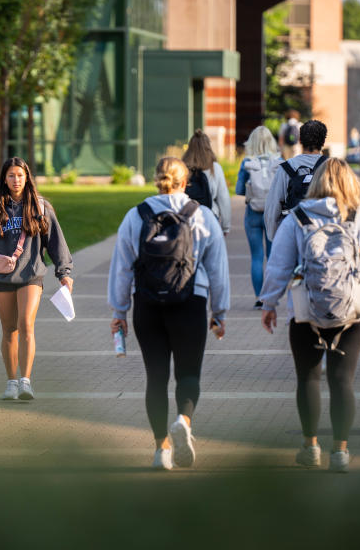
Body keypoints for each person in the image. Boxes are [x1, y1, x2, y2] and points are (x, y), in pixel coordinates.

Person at [259, 158, 360, 473]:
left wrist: (269, 303)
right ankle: (340, 452)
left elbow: (278, 265)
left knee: (308, 378)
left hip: (307, 311)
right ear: (350, 183)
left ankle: (310, 446)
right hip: (353, 313)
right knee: (342, 380)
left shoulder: (297, 218)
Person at [108, 157, 229, 470]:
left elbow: (121, 267)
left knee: (156, 377)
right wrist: (220, 311)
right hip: (190, 302)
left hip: (147, 305)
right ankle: (184, 421)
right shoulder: (202, 216)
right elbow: (218, 268)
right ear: (185, 182)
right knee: (189, 374)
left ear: (155, 180)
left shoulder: (136, 216)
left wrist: (119, 310)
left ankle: (161, 448)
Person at [0, 157, 73, 401]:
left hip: (31, 275)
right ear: (4, 179)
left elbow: (56, 242)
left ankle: (25, 381)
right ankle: (11, 382)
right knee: (9, 330)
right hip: (2, 278)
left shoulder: (40, 207)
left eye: (19, 175)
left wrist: (64, 273)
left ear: (27, 177)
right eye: (10, 175)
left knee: (26, 324)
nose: (15, 180)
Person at [235, 126, 281, 307]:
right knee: (272, 256)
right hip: (272, 213)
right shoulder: (279, 162)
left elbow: (239, 190)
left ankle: (259, 298)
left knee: (256, 256)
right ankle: (271, 296)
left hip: (253, 212)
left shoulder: (247, 162)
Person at [263, 119, 328, 242]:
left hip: (294, 233)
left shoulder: (287, 168)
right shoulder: (333, 167)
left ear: (300, 140)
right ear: (323, 142)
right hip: (324, 234)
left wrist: (275, 237)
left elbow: (272, 207)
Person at [182, 129, 231, 235]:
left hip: (187, 216)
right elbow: (223, 197)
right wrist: (225, 226)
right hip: (210, 215)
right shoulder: (215, 168)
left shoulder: (183, 168)